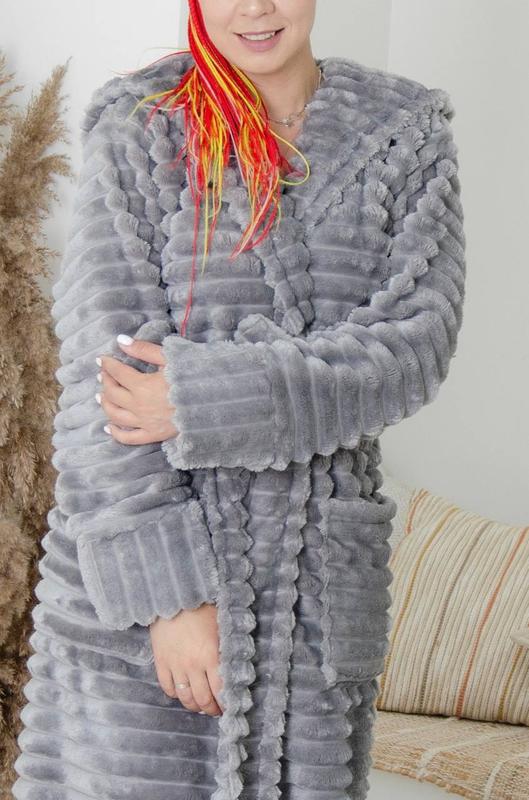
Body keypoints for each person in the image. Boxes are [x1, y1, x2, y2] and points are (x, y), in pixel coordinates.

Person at [12, 1, 466, 798]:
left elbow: (412, 349)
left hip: (311, 588)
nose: (254, 7)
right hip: (145, 583)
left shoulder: (403, 133)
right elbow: (101, 387)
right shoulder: (143, 127)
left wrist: (200, 398)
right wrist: (168, 597)